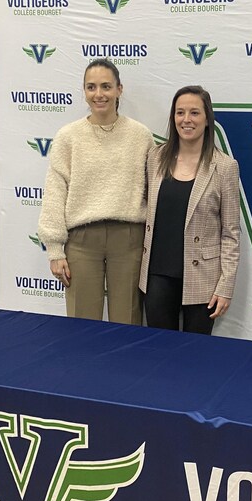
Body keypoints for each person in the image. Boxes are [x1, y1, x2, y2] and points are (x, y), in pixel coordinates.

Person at [37, 58, 154, 324]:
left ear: (119, 90)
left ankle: (122, 367)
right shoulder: (68, 136)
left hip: (129, 239)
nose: (98, 94)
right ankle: (80, 367)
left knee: (127, 322)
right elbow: (55, 191)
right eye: (91, 87)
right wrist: (55, 250)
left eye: (106, 86)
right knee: (81, 322)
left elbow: (153, 190)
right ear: (84, 91)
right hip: (81, 241)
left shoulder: (140, 135)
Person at [139, 86, 241, 334]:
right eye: (180, 112)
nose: (186, 120)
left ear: (207, 119)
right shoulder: (155, 158)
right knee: (159, 352)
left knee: (195, 357)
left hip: (203, 280)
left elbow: (231, 233)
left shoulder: (225, 167)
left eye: (195, 113)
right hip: (157, 275)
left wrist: (225, 286)